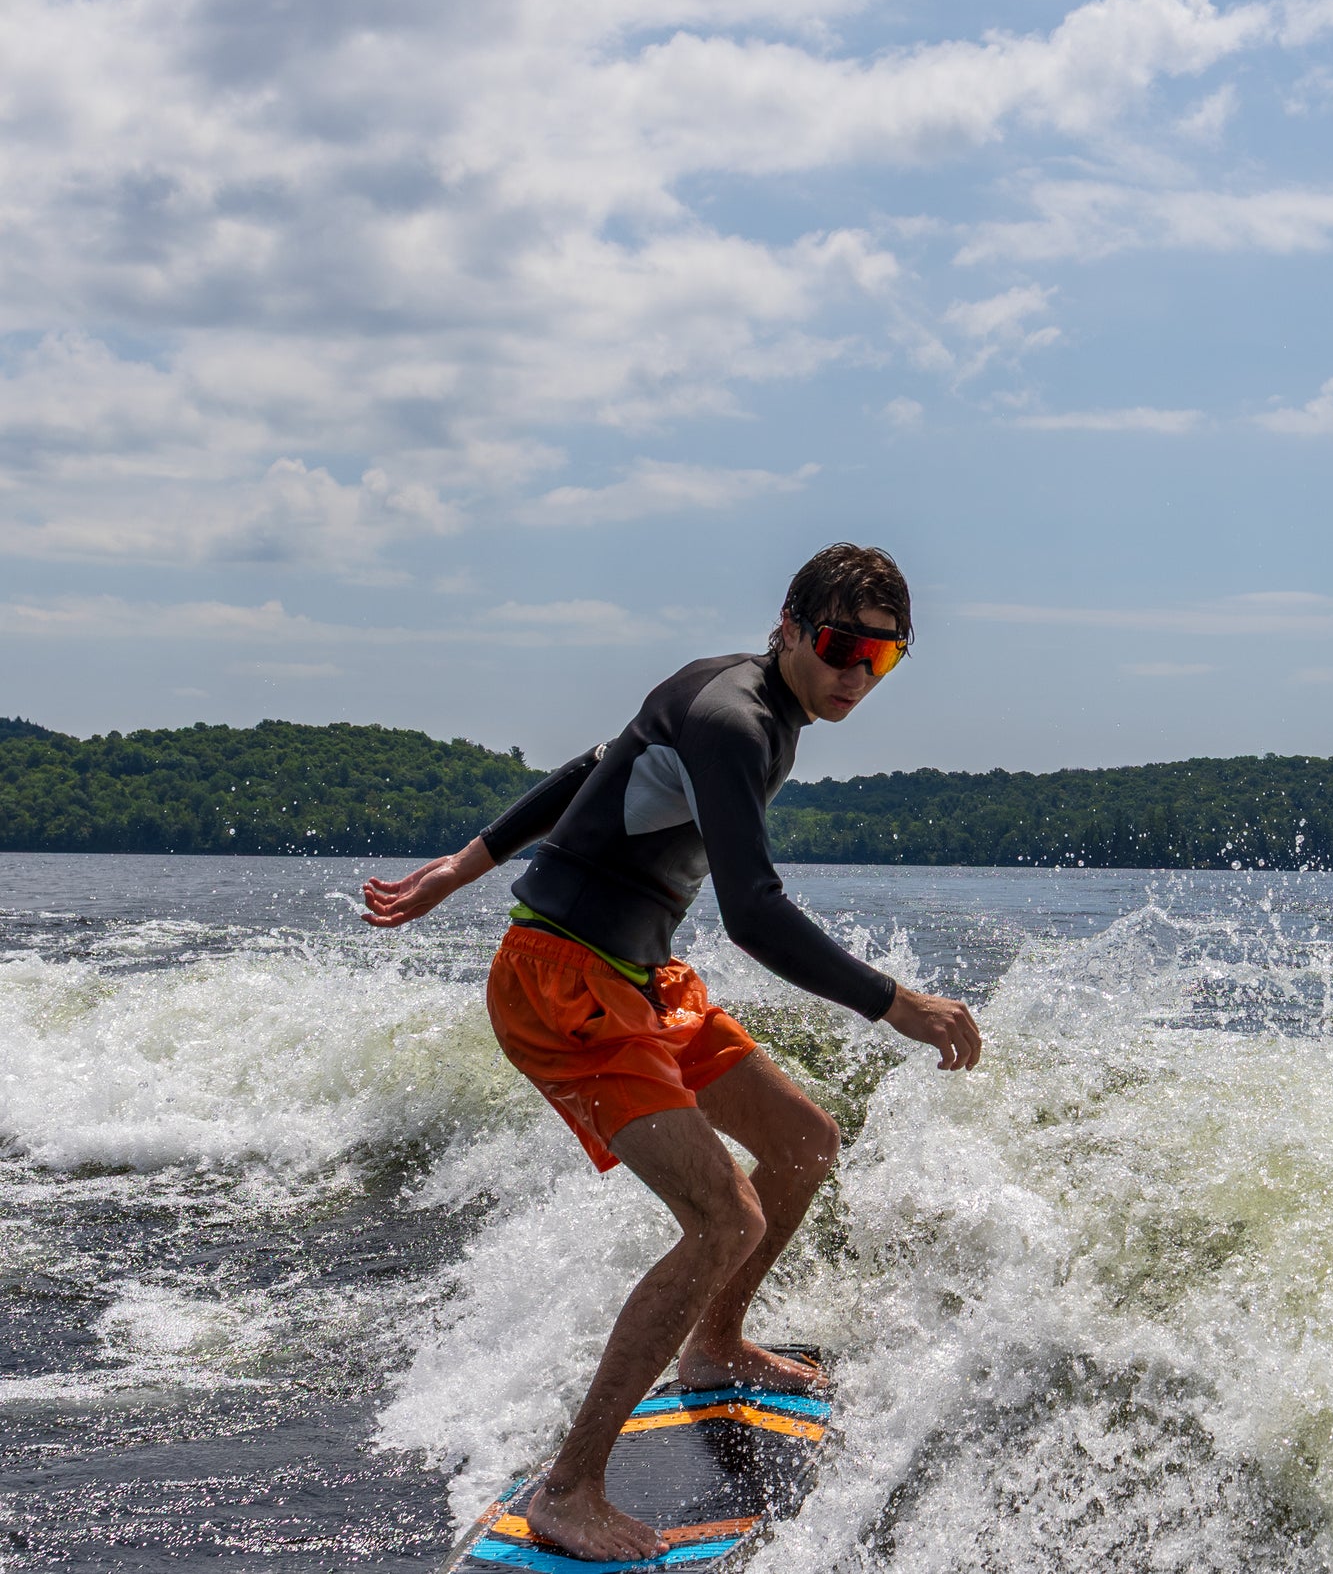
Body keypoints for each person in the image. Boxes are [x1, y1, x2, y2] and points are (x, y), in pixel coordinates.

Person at [361, 543, 981, 1564]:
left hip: (640, 979)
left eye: (882, 659)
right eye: (836, 647)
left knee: (801, 1141)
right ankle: (568, 1487)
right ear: (786, 625)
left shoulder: (742, 703)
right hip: (563, 982)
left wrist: (460, 867)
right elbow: (752, 912)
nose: (853, 675)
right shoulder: (731, 718)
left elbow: (581, 772)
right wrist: (893, 1003)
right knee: (719, 1217)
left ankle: (715, 1343)